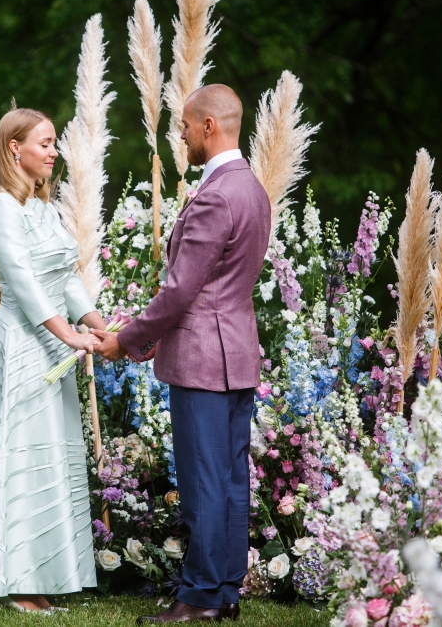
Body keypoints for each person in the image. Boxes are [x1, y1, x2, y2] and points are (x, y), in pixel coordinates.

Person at [94, 84, 270, 624]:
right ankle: (225, 590)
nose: (182, 135)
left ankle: (199, 596)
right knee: (231, 477)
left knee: (203, 480)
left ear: (209, 126)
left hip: (203, 358)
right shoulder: (252, 189)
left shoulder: (216, 195)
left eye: (186, 126)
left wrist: (127, 339)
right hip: (236, 351)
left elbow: (179, 291)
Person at [0, 108, 105, 612]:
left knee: (50, 455)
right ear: (15, 148)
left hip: (53, 343)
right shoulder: (0, 209)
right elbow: (25, 285)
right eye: (45, 143)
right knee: (20, 454)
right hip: (20, 344)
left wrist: (95, 322)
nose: (54, 152)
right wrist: (69, 335)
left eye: (54, 144)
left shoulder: (42, 208)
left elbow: (64, 278)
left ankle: (44, 575)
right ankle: (12, 582)